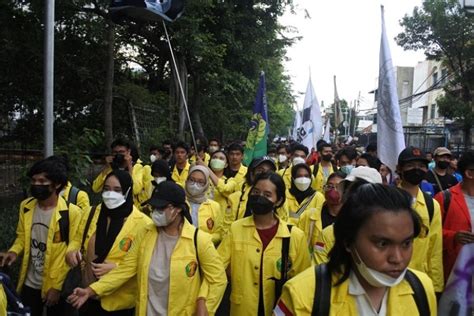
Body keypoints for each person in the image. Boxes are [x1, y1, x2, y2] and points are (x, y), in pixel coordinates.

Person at [67, 181, 227, 316]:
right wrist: (90, 290)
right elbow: (125, 270)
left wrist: (204, 303)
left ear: (177, 209)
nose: (155, 213)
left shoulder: (199, 240)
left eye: (160, 208)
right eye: (153, 208)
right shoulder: (145, 234)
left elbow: (218, 279)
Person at [274, 184, 437, 315]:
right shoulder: (302, 294)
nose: (397, 258)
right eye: (382, 244)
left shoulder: (421, 289)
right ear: (348, 241)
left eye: (406, 243)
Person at [218, 172, 311, 316]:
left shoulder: (295, 236)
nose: (259, 197)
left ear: (278, 201)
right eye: (255, 192)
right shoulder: (236, 229)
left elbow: (303, 282)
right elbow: (217, 267)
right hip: (242, 309)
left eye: (267, 195)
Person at [0, 159, 81, 316]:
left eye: (42, 181)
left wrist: (57, 287)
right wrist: (14, 252)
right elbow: (22, 237)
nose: (36, 184)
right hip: (30, 282)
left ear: (56, 184)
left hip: (54, 284)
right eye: (34, 180)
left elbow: (72, 252)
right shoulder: (26, 206)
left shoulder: (72, 213)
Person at [65, 170, 152, 315]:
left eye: (117, 190)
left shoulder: (143, 224)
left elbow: (146, 264)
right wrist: (71, 253)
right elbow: (77, 240)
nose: (111, 194)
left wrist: (116, 267)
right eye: (106, 189)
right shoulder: (91, 212)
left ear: (127, 191)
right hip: (86, 296)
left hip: (119, 303)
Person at [397, 146, 444, 293]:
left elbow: (435, 248)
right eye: (410, 165)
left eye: (422, 166)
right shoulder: (386, 200)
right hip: (390, 278)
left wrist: (436, 287)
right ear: (399, 168)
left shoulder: (432, 205)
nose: (416, 169)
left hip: (419, 283)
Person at [314, 167, 383, 265]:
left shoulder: (390, 231)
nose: (356, 196)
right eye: (350, 191)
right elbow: (320, 273)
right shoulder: (329, 234)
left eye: (362, 190)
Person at [434, 150, 474, 281]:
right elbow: (431, 235)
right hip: (453, 276)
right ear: (469, 173)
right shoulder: (445, 198)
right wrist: (453, 237)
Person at [226, 156, 288, 233]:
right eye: (260, 170)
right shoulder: (236, 198)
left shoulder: (279, 199)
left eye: (269, 171)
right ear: (252, 174)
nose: (265, 174)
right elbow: (226, 229)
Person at [298, 171, 346, 262]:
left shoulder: (352, 219)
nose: (332, 190)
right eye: (330, 186)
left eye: (337, 187)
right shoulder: (308, 216)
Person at [92, 138, 144, 207]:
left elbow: (135, 190)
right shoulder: (111, 168)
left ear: (128, 152)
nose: (118, 155)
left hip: (131, 208)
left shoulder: (137, 167)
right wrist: (107, 168)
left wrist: (129, 167)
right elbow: (95, 188)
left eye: (121, 152)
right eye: (115, 152)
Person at [185, 165, 224, 246]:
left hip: (204, 250)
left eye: (200, 182)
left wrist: (201, 240)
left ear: (206, 184)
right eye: (192, 180)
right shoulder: (179, 202)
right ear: (186, 180)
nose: (195, 185)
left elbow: (219, 234)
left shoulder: (214, 206)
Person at [206, 150, 238, 214]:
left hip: (220, 218)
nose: (217, 160)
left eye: (221, 158)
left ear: (226, 164)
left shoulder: (231, 180)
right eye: (214, 157)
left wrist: (207, 169)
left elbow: (225, 189)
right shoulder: (203, 178)